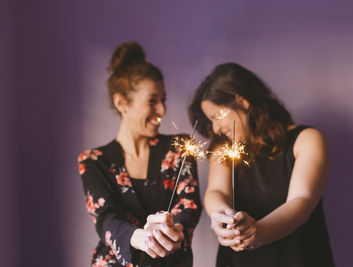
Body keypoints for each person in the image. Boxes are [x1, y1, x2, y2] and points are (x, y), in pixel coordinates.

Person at [189, 63, 334, 266]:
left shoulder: (307, 140)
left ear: (242, 101)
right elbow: (216, 192)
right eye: (210, 120)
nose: (215, 128)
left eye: (217, 116)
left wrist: (258, 232)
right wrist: (221, 217)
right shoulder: (223, 149)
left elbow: (301, 202)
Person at [78, 42, 202, 267]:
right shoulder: (93, 161)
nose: (162, 111)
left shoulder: (180, 148)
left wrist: (173, 229)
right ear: (121, 103)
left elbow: (188, 207)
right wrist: (142, 239)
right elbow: (107, 220)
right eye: (152, 101)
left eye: (163, 100)